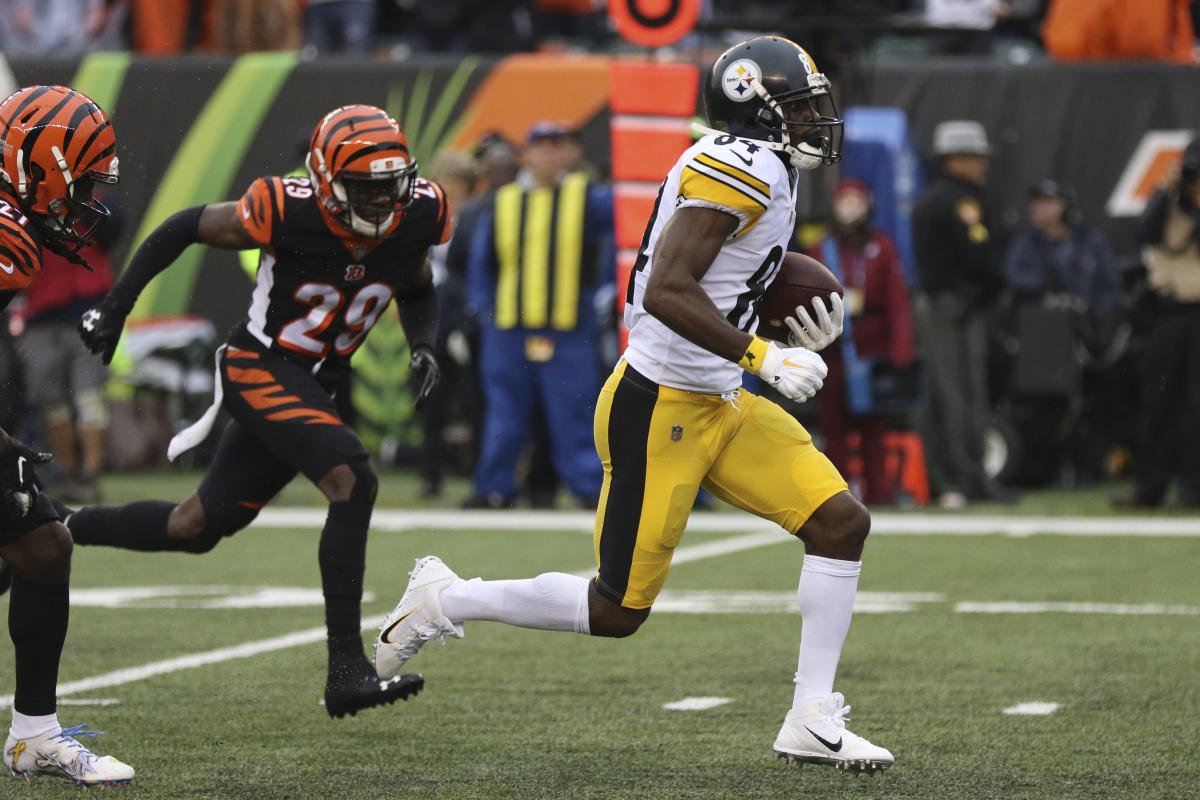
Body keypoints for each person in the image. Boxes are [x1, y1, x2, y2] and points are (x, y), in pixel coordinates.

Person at [374, 36, 894, 773]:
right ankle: (445, 598)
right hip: (661, 406)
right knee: (615, 610)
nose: (814, 121)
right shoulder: (741, 167)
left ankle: (811, 715)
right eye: (800, 108)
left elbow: (731, 278)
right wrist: (763, 354)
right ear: (757, 111)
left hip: (718, 399)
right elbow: (668, 290)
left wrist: (786, 312)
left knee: (840, 523)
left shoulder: (765, 165)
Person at [71, 104, 446, 718]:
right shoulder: (285, 207)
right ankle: (346, 670)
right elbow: (184, 226)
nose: (383, 202)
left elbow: (417, 283)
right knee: (353, 478)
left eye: (391, 186)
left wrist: (423, 342)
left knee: (193, 527)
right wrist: (115, 308)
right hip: (261, 368)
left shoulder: (421, 209)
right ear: (326, 181)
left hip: (318, 383)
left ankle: (58, 526)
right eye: (366, 189)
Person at [0, 85, 134, 787]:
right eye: (81, 181)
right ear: (43, 167)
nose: (88, 201)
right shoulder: (8, 239)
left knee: (42, 548)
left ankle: (34, 736)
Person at [461, 121, 614, 509]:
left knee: (575, 412)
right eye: (542, 147)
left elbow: (625, 236)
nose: (550, 155)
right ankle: (494, 488)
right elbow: (483, 263)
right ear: (526, 154)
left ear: (569, 153)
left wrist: (599, 301)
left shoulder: (590, 198)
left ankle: (589, 491)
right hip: (509, 329)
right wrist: (485, 312)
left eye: (557, 146)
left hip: (568, 328)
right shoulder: (504, 200)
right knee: (504, 415)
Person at [911, 119, 1011, 508]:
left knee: (940, 394)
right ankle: (970, 478)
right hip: (953, 305)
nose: (983, 165)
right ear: (957, 160)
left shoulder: (933, 196)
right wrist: (991, 280)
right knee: (962, 393)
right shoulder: (960, 202)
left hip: (942, 303)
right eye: (976, 157)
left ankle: (943, 479)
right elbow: (980, 256)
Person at [810, 179, 916, 506]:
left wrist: (901, 350)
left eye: (857, 200)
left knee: (873, 425)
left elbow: (898, 301)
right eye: (845, 200)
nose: (850, 207)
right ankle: (837, 495)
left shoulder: (881, 246)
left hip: (872, 348)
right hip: (834, 347)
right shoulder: (822, 247)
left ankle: (879, 492)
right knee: (833, 424)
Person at [10, 194, 122, 504]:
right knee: (51, 401)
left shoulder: (85, 197)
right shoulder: (19, 201)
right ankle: (69, 474)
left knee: (88, 397)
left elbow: (113, 226)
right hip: (41, 313)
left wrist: (75, 201)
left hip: (87, 306)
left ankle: (89, 475)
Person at [1113, 140, 1200, 507]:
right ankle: (1150, 487)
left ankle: (1193, 489)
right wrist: (1166, 193)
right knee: (1158, 401)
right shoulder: (1166, 200)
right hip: (1167, 313)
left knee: (1196, 406)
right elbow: (1144, 233)